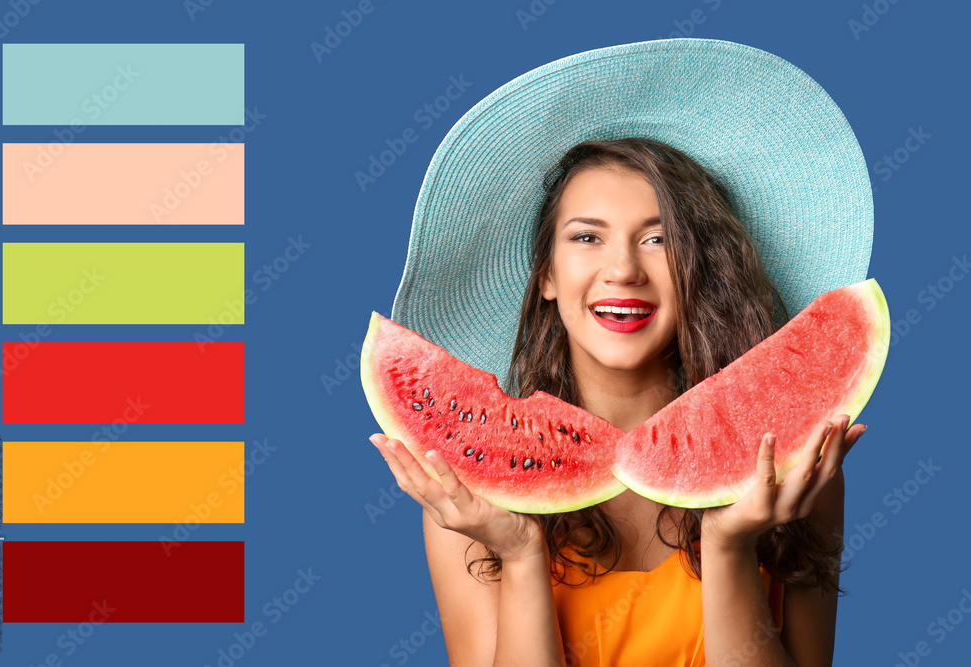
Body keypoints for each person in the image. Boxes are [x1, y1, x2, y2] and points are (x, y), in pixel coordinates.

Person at [370, 39, 874, 667]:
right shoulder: (468, 493)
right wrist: (522, 553)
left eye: (659, 239)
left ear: (699, 272)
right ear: (546, 275)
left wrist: (727, 548)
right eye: (586, 237)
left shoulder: (793, 465)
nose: (622, 270)